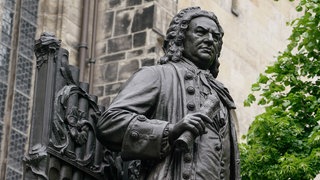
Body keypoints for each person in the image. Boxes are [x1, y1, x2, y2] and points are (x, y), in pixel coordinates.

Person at [96, 7, 240, 180]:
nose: (210, 40)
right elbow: (110, 123)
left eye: (215, 37)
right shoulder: (157, 75)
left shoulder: (222, 96)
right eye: (201, 32)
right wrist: (169, 131)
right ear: (181, 38)